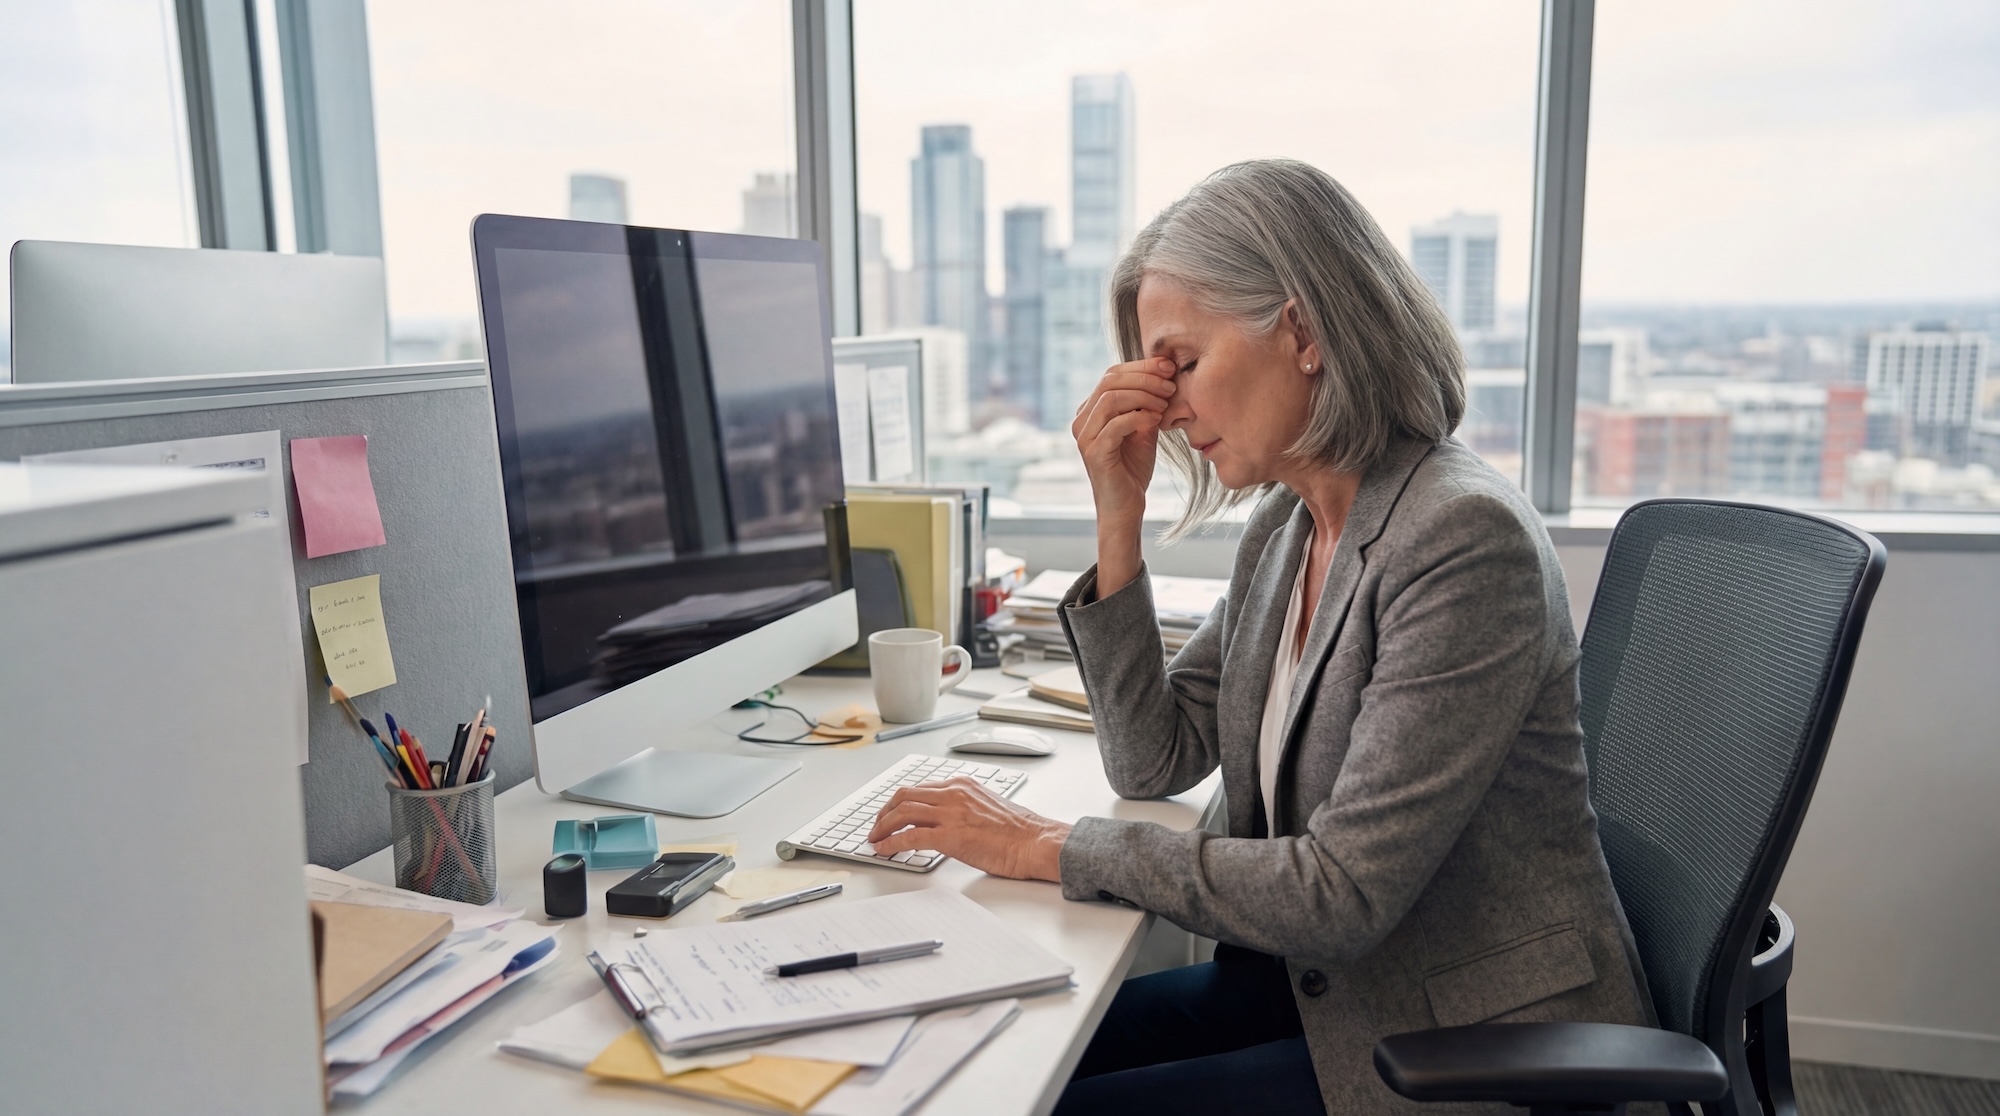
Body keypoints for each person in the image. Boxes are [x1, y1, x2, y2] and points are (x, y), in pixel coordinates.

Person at [865, 159, 1652, 1115]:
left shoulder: (1459, 538)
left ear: (1305, 332)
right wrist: (1118, 518)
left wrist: (1050, 845)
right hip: (1326, 994)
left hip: (1465, 1035)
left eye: (1182, 363)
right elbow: (1154, 757)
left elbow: (1340, 895)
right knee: (993, 1060)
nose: (1168, 405)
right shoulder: (1289, 523)